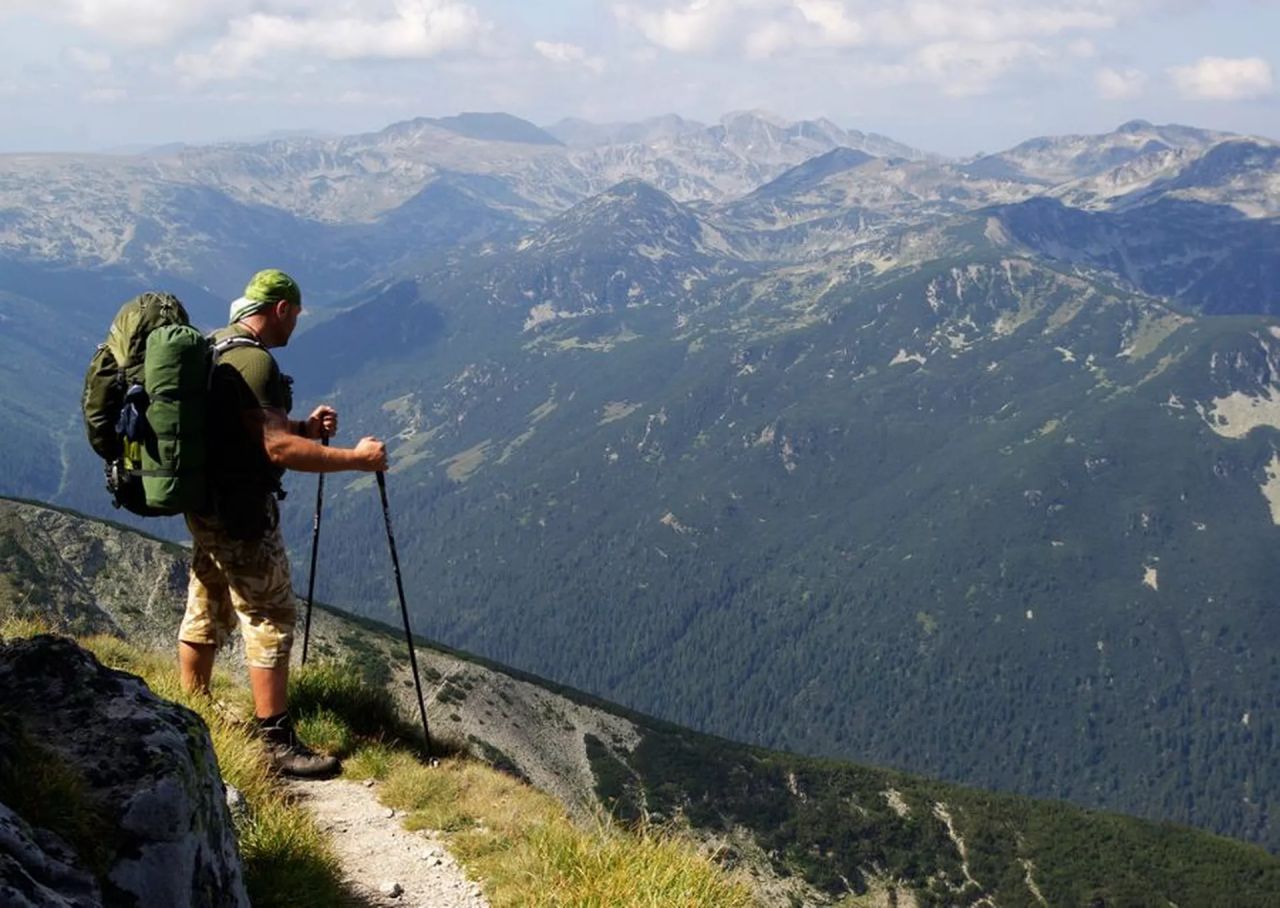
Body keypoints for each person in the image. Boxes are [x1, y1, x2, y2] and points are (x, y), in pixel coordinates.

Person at [177, 268, 388, 778]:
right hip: (241, 510)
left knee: (208, 596)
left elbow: (250, 428)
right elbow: (276, 449)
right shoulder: (256, 362)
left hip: (206, 502)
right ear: (281, 310)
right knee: (271, 614)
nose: (295, 327)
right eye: (295, 316)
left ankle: (194, 706)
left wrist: (302, 427)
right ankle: (275, 740)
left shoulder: (216, 348)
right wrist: (356, 459)